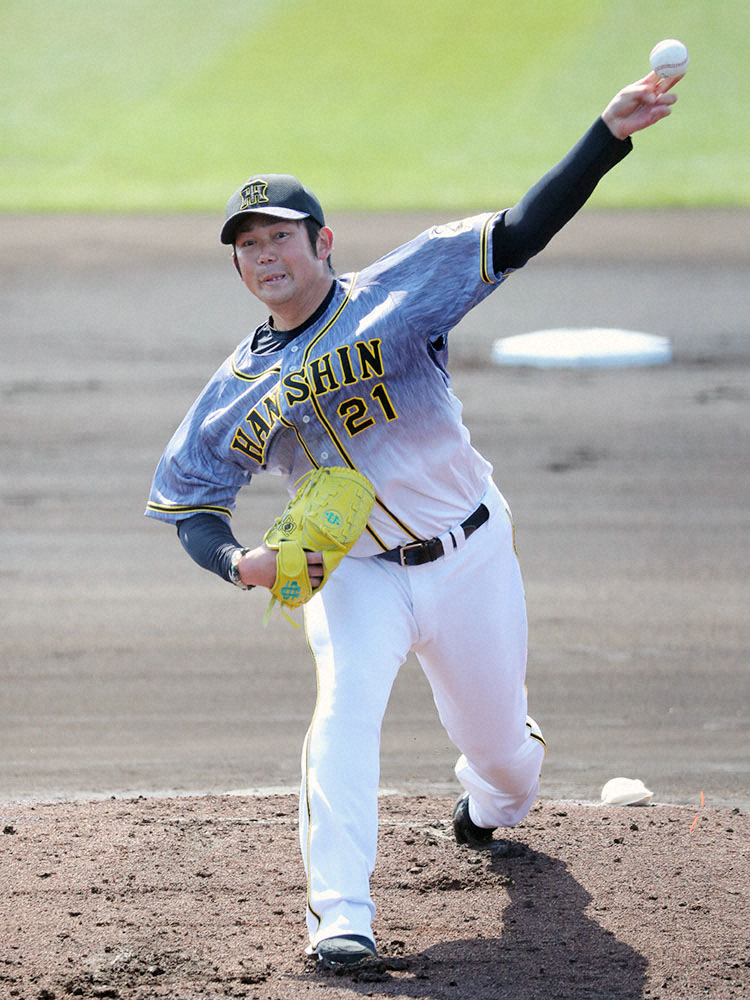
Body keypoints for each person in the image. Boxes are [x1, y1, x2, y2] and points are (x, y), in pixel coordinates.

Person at [146, 71, 681, 970]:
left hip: (471, 552)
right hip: (353, 574)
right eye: (246, 245)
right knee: (342, 714)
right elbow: (193, 501)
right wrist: (238, 560)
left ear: (321, 240)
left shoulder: (402, 290)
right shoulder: (234, 390)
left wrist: (607, 135)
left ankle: (491, 796)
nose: (264, 254)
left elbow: (521, 230)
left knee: (505, 760)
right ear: (237, 266)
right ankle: (339, 917)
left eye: (279, 235)